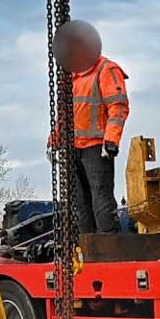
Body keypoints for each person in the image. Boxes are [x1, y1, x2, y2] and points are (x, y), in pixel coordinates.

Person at [48, 19, 130, 235]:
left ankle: (108, 247)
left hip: (96, 148)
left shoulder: (106, 70)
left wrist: (111, 140)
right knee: (80, 205)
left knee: (101, 201)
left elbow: (118, 107)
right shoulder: (71, 78)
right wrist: (54, 141)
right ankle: (86, 249)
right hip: (72, 148)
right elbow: (64, 115)